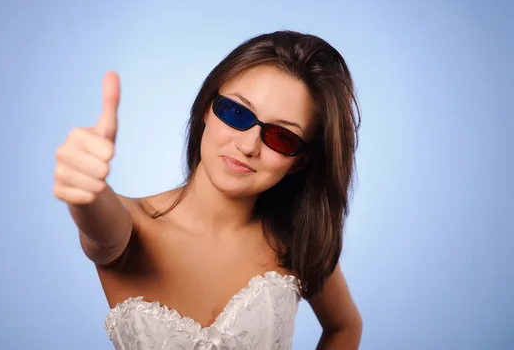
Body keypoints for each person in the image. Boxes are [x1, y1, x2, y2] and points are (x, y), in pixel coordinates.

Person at [53, 30, 363, 349]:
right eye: (236, 113)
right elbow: (100, 231)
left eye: (281, 137)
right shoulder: (132, 229)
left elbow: (345, 326)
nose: (247, 146)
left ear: (300, 162)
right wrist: (87, 192)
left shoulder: (296, 241)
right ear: (206, 108)